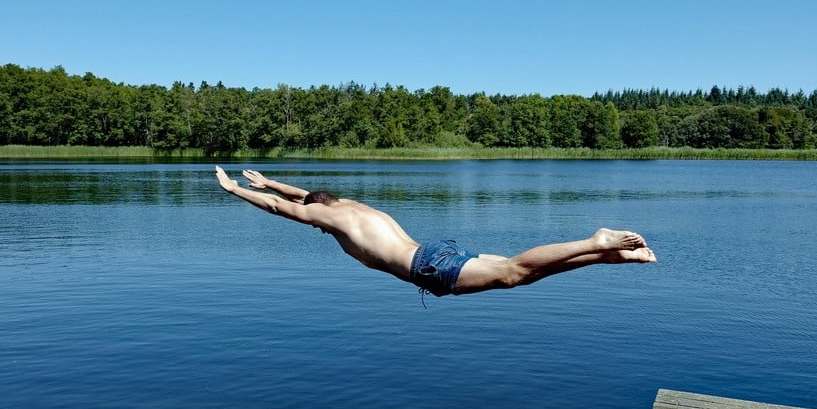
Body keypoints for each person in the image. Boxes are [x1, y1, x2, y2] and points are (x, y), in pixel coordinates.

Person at [215, 166, 656, 297]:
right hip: (433, 250)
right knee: (518, 274)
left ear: (316, 214)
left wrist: (235, 189)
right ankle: (606, 256)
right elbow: (303, 194)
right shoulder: (345, 205)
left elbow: (282, 207)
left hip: (426, 268)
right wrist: (270, 180)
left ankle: (596, 241)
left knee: (515, 269)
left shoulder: (329, 218)